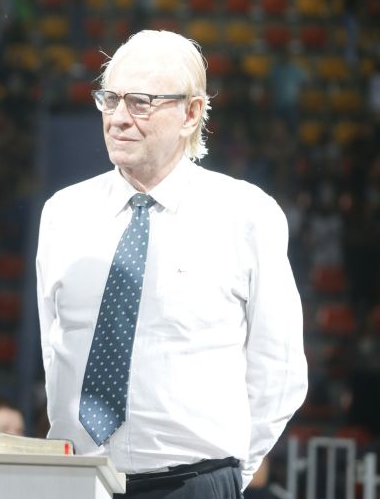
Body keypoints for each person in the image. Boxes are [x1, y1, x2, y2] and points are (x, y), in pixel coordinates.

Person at [36, 30, 307, 497]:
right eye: (109, 99)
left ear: (191, 113)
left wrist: (225, 476)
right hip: (79, 482)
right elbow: (54, 348)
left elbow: (279, 371)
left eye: (140, 102)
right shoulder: (63, 213)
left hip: (195, 482)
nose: (118, 118)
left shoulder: (247, 215)